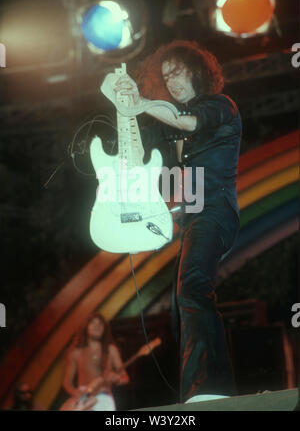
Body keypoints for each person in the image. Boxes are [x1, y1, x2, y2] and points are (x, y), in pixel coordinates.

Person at [113, 40, 242, 403]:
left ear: (197, 71)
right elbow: (142, 154)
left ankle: (211, 390)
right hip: (190, 220)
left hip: (215, 211)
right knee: (180, 307)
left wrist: (143, 104)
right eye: (165, 76)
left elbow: (188, 120)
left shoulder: (219, 105)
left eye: (177, 72)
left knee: (193, 291)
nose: (171, 82)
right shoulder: (171, 127)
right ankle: (208, 389)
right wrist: (125, 105)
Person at [62, 313, 129, 411]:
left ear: (104, 329)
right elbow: (67, 382)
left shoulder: (111, 350)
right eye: (93, 323)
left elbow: (125, 377)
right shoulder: (75, 352)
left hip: (104, 398)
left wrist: (117, 379)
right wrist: (76, 393)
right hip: (83, 399)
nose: (97, 327)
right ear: (86, 327)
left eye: (100, 324)